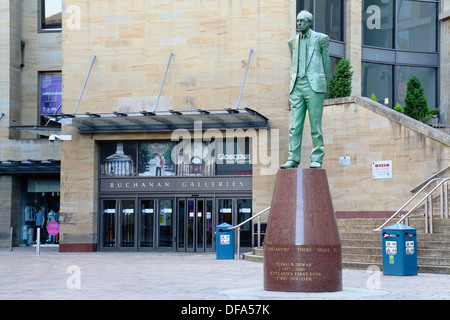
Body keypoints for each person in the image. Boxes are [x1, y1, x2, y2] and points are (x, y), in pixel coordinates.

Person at [281, 10, 329, 169]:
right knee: (294, 126)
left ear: (309, 22)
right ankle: (293, 158)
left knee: (315, 125)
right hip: (297, 86)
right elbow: (293, 62)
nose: (299, 23)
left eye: (302, 21)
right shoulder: (292, 42)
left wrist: (322, 82)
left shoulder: (321, 39)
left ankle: (317, 158)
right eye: (297, 21)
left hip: (313, 86)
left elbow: (325, 62)